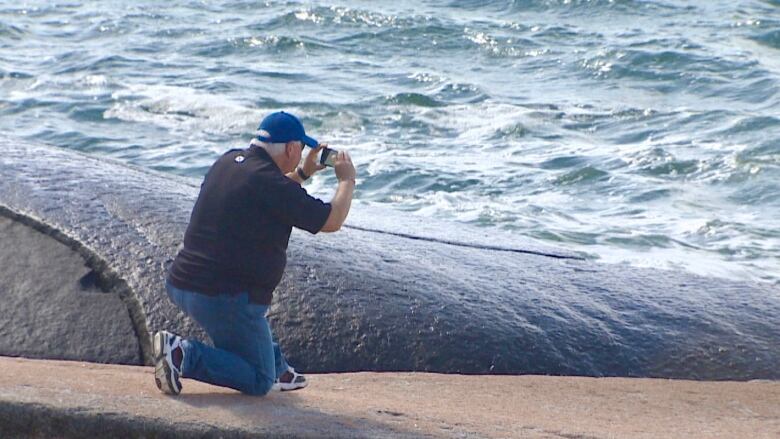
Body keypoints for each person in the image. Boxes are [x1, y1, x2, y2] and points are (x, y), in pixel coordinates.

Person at [153, 111, 356, 396]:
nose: (301, 155)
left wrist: (304, 173)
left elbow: (271, 194)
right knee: (260, 378)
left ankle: (280, 369)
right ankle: (182, 354)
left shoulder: (229, 161)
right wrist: (347, 181)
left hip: (182, 283)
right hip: (220, 298)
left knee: (249, 325)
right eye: (300, 148)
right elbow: (331, 221)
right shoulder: (274, 186)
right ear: (290, 148)